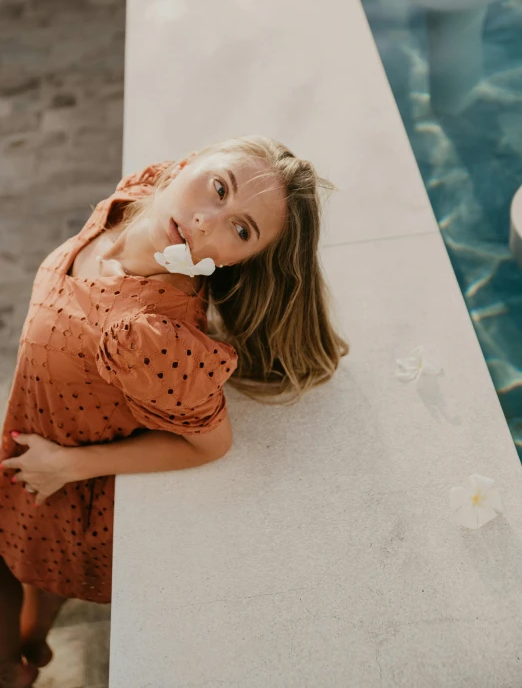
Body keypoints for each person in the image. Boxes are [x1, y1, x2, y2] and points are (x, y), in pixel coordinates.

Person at [0, 135, 349, 687]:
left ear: (243, 259)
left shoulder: (151, 335)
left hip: (60, 480)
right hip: (30, 438)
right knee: (27, 589)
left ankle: (24, 660)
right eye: (218, 187)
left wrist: (67, 467)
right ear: (186, 163)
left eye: (241, 230)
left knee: (28, 601)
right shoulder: (136, 200)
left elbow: (211, 443)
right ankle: (33, 641)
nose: (208, 222)